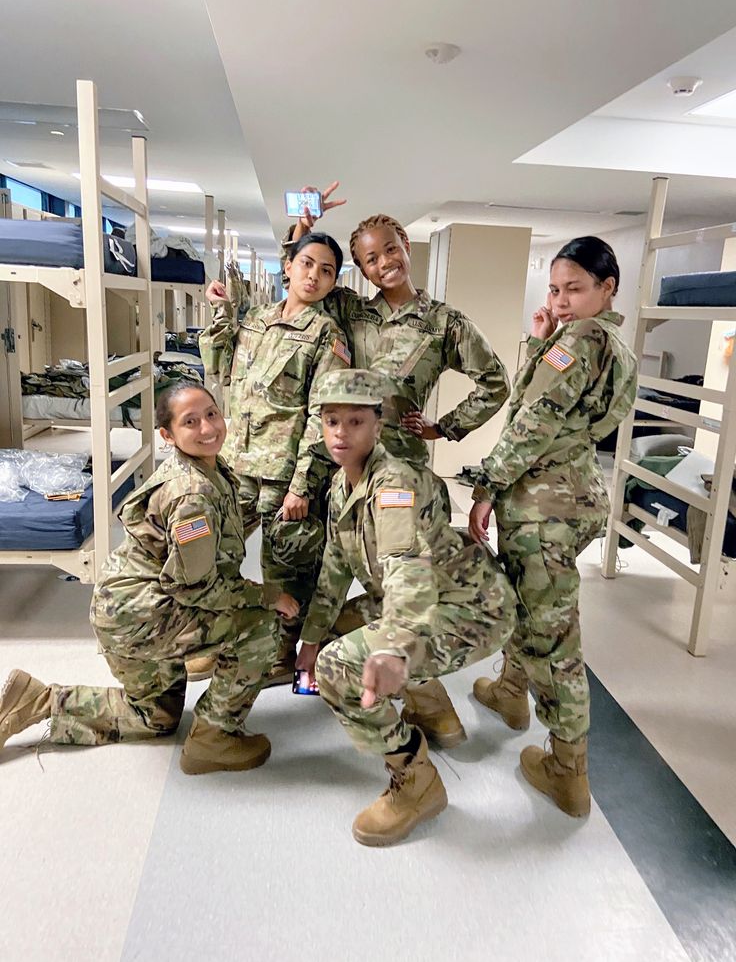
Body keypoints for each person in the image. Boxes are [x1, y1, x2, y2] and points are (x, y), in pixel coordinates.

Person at [0, 383, 298, 774]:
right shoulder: (191, 496)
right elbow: (196, 587)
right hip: (142, 619)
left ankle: (38, 701)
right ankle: (213, 739)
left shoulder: (204, 465)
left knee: (155, 718)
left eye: (211, 414)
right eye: (190, 422)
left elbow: (223, 528)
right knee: (263, 626)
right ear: (167, 435)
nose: (208, 427)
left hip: (129, 607)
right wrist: (268, 595)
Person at [296, 369, 517, 847]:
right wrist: (310, 640)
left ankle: (416, 782)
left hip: (470, 611)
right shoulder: (342, 486)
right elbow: (336, 565)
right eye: (331, 421)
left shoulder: (391, 485)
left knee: (340, 667)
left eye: (355, 422)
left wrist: (393, 649)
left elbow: (405, 567)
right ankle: (436, 712)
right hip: (434, 600)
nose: (340, 433)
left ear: (378, 425)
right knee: (338, 631)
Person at [468, 236, 637, 817]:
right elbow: (562, 413)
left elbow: (533, 420)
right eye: (555, 289)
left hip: (545, 507)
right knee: (535, 607)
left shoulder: (584, 338)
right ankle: (512, 692)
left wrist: (487, 485)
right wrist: (541, 344)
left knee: (555, 638)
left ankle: (568, 769)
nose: (562, 301)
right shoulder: (612, 343)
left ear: (608, 287)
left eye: (575, 289)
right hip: (576, 490)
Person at [199, 232, 349, 684]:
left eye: (327, 270)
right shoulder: (256, 321)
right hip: (236, 466)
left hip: (285, 478)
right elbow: (217, 365)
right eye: (307, 264)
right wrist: (220, 311)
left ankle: (283, 654)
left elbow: (324, 415)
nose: (314, 276)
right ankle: (220, 637)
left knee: (286, 570)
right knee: (216, 557)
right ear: (288, 267)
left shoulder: (327, 335)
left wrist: (304, 484)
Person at [286, 187, 510, 471]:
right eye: (372, 259)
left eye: (391, 249)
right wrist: (303, 228)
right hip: (343, 464)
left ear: (405, 244)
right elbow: (300, 284)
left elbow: (496, 383)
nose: (385, 262)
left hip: (400, 464)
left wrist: (444, 427)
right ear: (363, 269)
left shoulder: (445, 323)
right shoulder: (350, 310)